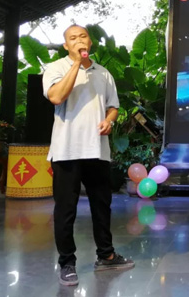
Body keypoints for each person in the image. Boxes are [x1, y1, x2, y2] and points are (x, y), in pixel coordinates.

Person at [43, 25, 134, 286]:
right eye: (72, 38)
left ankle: (106, 255)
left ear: (90, 42)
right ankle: (67, 263)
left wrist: (109, 120)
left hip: (97, 150)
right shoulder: (55, 68)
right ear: (66, 46)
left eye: (82, 36)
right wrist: (76, 65)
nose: (78, 40)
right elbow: (56, 97)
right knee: (66, 210)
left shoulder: (103, 73)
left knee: (101, 206)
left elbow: (113, 106)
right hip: (66, 150)